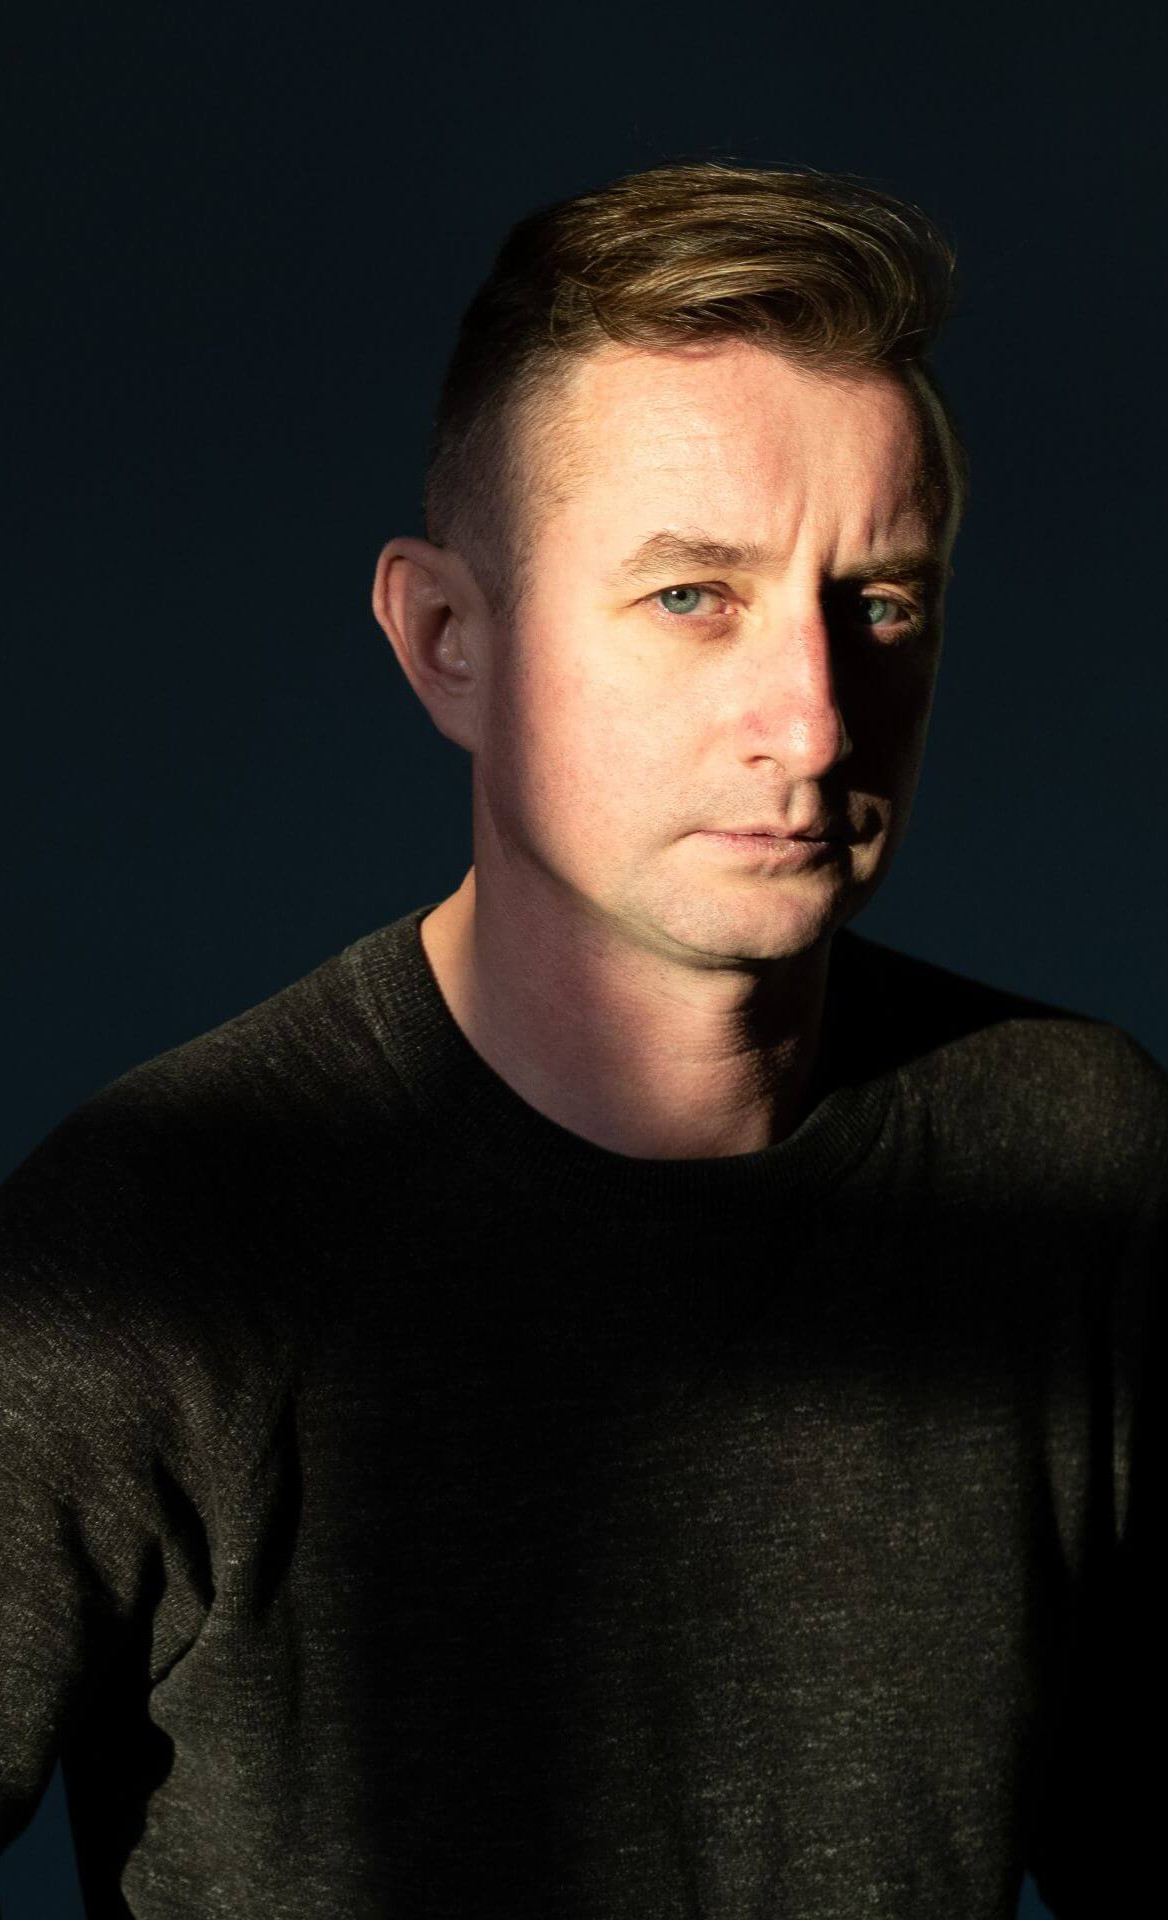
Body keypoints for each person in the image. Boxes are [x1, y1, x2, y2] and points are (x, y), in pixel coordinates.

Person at [1, 159, 1163, 1919]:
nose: (813, 720)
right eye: (693, 596)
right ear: (446, 641)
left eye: (880, 603)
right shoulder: (158, 1241)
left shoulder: (1072, 1161)